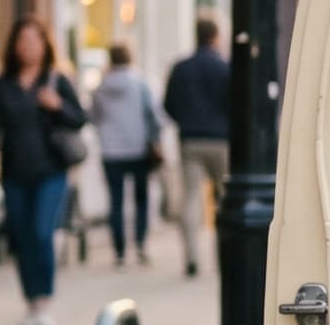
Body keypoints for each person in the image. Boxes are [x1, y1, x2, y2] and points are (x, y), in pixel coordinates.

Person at [0, 17, 89, 325]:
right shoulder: (2, 86)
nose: (27, 47)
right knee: (22, 238)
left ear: (44, 45)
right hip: (14, 173)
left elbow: (80, 118)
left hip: (51, 171)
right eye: (22, 41)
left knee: (41, 232)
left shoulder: (56, 80)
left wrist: (57, 106)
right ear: (14, 46)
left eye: (33, 40)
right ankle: (30, 303)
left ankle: (45, 302)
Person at [163, 14, 231, 278]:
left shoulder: (181, 68)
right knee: (224, 201)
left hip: (190, 139)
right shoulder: (224, 67)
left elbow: (168, 104)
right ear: (215, 37)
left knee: (191, 197)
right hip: (220, 140)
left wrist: (186, 121)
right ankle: (222, 257)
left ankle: (191, 256)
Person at [91, 43, 164, 268]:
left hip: (111, 150)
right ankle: (140, 244)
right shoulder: (140, 83)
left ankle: (120, 251)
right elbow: (153, 115)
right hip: (138, 148)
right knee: (141, 199)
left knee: (116, 201)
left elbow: (94, 117)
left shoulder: (100, 88)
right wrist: (155, 139)